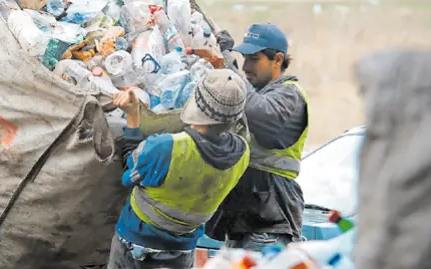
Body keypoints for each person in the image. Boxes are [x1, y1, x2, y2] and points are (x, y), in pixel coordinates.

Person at [107, 69, 250, 269]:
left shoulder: (166, 147)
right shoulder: (242, 152)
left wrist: (132, 116)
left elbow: (128, 168)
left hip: (137, 245)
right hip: (182, 251)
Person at [207, 23, 309, 251]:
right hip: (247, 221)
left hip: (270, 221)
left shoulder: (290, 94)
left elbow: (259, 112)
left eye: (254, 59)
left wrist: (225, 65)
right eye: (244, 59)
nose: (246, 67)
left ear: (278, 59)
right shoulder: (258, 93)